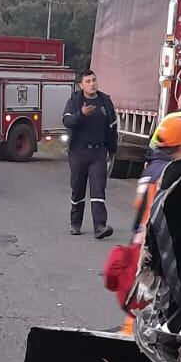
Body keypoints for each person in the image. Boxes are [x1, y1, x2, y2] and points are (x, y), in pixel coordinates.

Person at [104, 112, 181, 327]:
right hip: (156, 258)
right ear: (180, 147)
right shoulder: (171, 175)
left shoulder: (152, 169)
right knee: (154, 319)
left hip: (141, 254)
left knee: (138, 317)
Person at [63, 68, 117, 239]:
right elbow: (67, 120)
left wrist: (112, 149)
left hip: (98, 152)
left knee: (98, 189)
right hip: (79, 152)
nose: (92, 83)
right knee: (78, 189)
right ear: (81, 85)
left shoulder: (105, 101)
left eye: (94, 80)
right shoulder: (74, 101)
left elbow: (112, 126)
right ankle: (75, 223)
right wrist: (81, 114)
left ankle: (100, 226)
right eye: (88, 81)